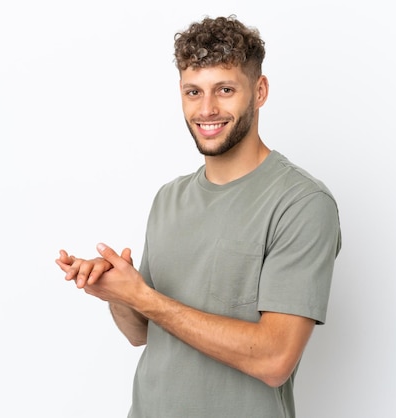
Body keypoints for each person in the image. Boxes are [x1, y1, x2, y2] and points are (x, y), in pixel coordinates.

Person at [56, 15, 341, 418]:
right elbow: (142, 334)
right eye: (194, 92)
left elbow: (275, 360)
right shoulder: (168, 198)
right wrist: (119, 292)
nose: (207, 109)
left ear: (259, 91)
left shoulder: (301, 203)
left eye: (225, 90)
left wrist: (144, 297)